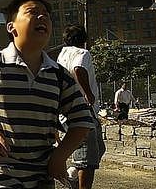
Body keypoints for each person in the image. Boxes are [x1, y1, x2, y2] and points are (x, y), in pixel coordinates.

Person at [0, 0, 94, 188]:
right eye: (32, 12)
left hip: (41, 174)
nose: (42, 16)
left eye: (46, 15)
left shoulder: (59, 76)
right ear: (11, 27)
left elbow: (82, 120)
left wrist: (60, 156)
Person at [57, 24, 106, 189]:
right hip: (81, 110)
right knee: (88, 159)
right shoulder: (82, 53)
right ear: (83, 41)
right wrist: (88, 93)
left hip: (69, 109)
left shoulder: (62, 55)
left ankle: (71, 175)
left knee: (98, 148)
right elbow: (78, 68)